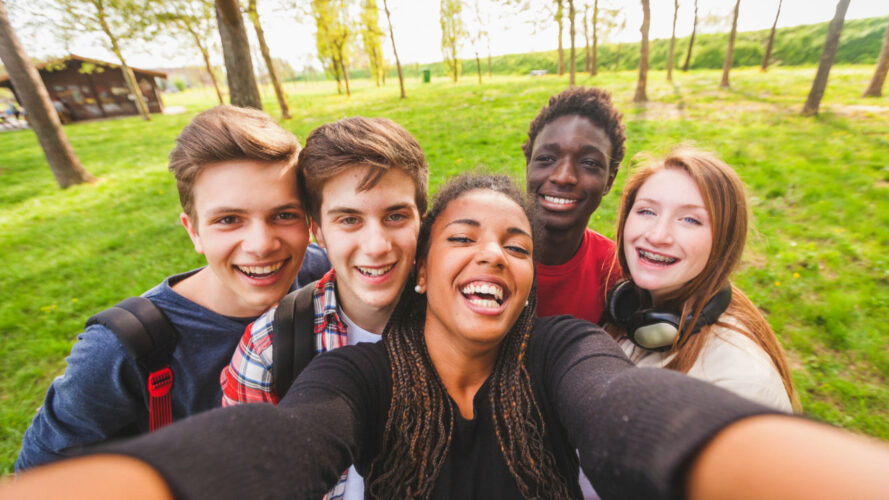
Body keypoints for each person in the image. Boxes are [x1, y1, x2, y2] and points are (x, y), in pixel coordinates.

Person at [5, 174, 889, 500]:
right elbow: (277, 443)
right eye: (462, 235)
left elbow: (635, 410)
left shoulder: (561, 349)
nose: (492, 255)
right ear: (423, 269)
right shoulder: (351, 375)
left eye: (512, 244)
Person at [14, 105, 330, 471]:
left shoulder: (324, 274)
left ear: (308, 222)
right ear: (193, 230)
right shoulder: (123, 349)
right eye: (229, 220)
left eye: (283, 215)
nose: (261, 244)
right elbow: (40, 475)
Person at [219, 116, 427, 498]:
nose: (377, 245)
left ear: (421, 220)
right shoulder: (269, 348)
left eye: (395, 216)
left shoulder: (462, 324)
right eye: (349, 219)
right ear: (317, 231)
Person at [605, 146, 797, 412]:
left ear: (723, 241)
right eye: (647, 211)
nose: (658, 235)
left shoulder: (741, 386)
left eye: (690, 220)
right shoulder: (629, 313)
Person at [523, 86, 625, 324]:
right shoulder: (485, 254)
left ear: (609, 180)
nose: (564, 176)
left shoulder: (614, 272)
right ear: (528, 166)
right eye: (546, 159)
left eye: (589, 163)